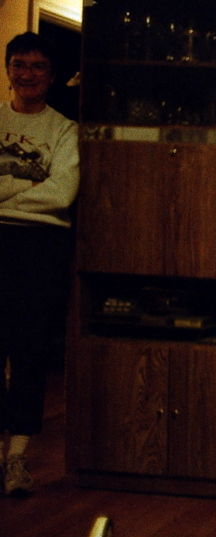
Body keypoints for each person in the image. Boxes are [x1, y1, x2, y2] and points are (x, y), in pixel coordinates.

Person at [0, 32, 80, 496]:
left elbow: (61, 192)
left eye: (37, 66)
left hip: (40, 246)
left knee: (29, 353)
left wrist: (6, 193)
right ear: (8, 69)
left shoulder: (64, 130)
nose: (27, 73)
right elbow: (45, 188)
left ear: (50, 77)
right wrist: (29, 188)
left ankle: (17, 458)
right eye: (19, 64)